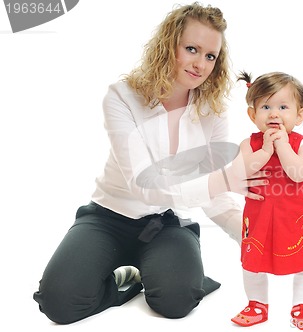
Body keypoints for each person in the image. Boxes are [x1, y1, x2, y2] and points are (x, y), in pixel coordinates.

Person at [32, 2, 268, 324]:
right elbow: (144, 185)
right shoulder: (122, 97)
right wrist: (224, 179)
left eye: (210, 56)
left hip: (165, 224)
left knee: (177, 300)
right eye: (191, 49)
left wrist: (250, 237)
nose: (200, 64)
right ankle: (127, 282)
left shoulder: (212, 111)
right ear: (169, 44)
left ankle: (168, 272)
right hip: (107, 217)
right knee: (58, 303)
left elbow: (216, 196)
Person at [230, 71, 303, 330]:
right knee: (253, 263)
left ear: (300, 115)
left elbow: (299, 172)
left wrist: (283, 146)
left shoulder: (302, 144)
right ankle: (257, 303)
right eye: (266, 107)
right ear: (253, 115)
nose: (274, 114)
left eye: (283, 107)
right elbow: (242, 171)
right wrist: (265, 150)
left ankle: (302, 305)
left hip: (295, 217)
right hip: (260, 217)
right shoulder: (249, 143)